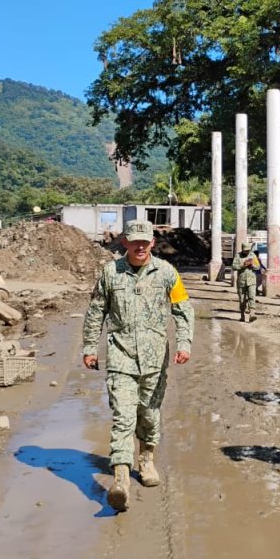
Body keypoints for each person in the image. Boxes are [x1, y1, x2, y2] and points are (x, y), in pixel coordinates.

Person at [82, 219, 194, 512]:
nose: (140, 246)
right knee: (123, 415)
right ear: (125, 243)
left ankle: (146, 459)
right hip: (120, 357)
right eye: (135, 241)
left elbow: (183, 311)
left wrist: (184, 343)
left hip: (155, 360)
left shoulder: (167, 273)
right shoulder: (110, 273)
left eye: (145, 241)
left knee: (149, 415)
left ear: (152, 243)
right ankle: (121, 478)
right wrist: (90, 347)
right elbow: (96, 311)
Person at [231, 242, 261, 322]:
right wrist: (242, 265)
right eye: (245, 250)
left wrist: (252, 265)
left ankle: (252, 314)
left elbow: (258, 267)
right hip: (241, 281)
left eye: (248, 250)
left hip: (251, 280)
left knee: (252, 297)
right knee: (242, 299)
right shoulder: (238, 256)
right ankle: (242, 316)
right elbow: (233, 267)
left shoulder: (253, 255)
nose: (247, 252)